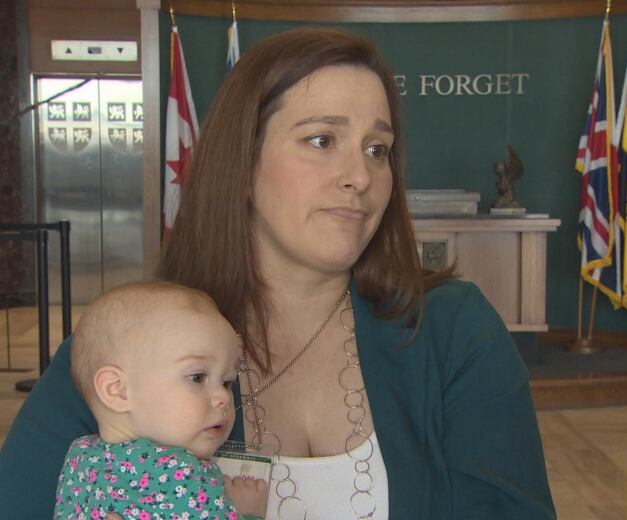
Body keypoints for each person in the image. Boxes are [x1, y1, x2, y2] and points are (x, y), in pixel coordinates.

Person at [0, 27, 556, 519]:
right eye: (322, 140)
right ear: (243, 164)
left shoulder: (454, 332)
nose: (359, 176)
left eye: (377, 149)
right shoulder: (124, 344)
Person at [53, 282, 267, 519]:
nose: (224, 397)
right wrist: (248, 511)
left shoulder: (80, 457)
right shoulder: (186, 478)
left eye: (227, 382)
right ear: (118, 390)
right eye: (197, 377)